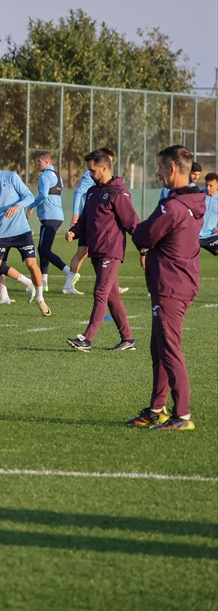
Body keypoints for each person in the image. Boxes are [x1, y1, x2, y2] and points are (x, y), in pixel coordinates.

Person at [129, 145, 207, 430]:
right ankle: (156, 408)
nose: (158, 173)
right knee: (159, 348)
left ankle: (182, 415)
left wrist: (137, 230)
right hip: (178, 281)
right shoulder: (191, 201)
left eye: (161, 168)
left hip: (171, 286)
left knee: (170, 349)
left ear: (172, 169)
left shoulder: (173, 206)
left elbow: (143, 234)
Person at [65, 149, 139, 351]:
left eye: (93, 170)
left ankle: (87, 339)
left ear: (104, 168)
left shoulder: (118, 193)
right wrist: (74, 231)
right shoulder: (92, 192)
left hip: (111, 252)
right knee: (113, 297)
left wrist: (144, 249)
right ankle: (128, 339)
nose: (90, 174)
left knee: (100, 293)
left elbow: (132, 223)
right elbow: (85, 220)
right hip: (96, 251)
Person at [0, 151, 50, 317]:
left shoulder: (11, 177)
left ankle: (40, 299)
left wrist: (17, 206)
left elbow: (29, 196)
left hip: (20, 231)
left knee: (32, 264)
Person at [62, 149, 113, 294]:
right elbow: (78, 192)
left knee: (85, 252)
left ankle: (68, 285)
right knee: (95, 252)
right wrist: (76, 214)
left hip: (95, 220)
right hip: (89, 220)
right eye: (107, 159)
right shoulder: (91, 175)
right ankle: (108, 284)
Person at [31, 152, 70, 292]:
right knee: (43, 249)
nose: (37, 163)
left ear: (46, 162)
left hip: (49, 216)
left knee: (44, 250)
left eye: (39, 161)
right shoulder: (58, 176)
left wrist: (31, 206)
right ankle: (44, 282)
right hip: (56, 216)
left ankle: (70, 272)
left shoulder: (45, 175)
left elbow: (43, 195)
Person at [201, 172, 218, 256]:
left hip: (211, 235)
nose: (208, 188)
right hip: (195, 235)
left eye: (211, 186)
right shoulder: (199, 195)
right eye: (206, 185)